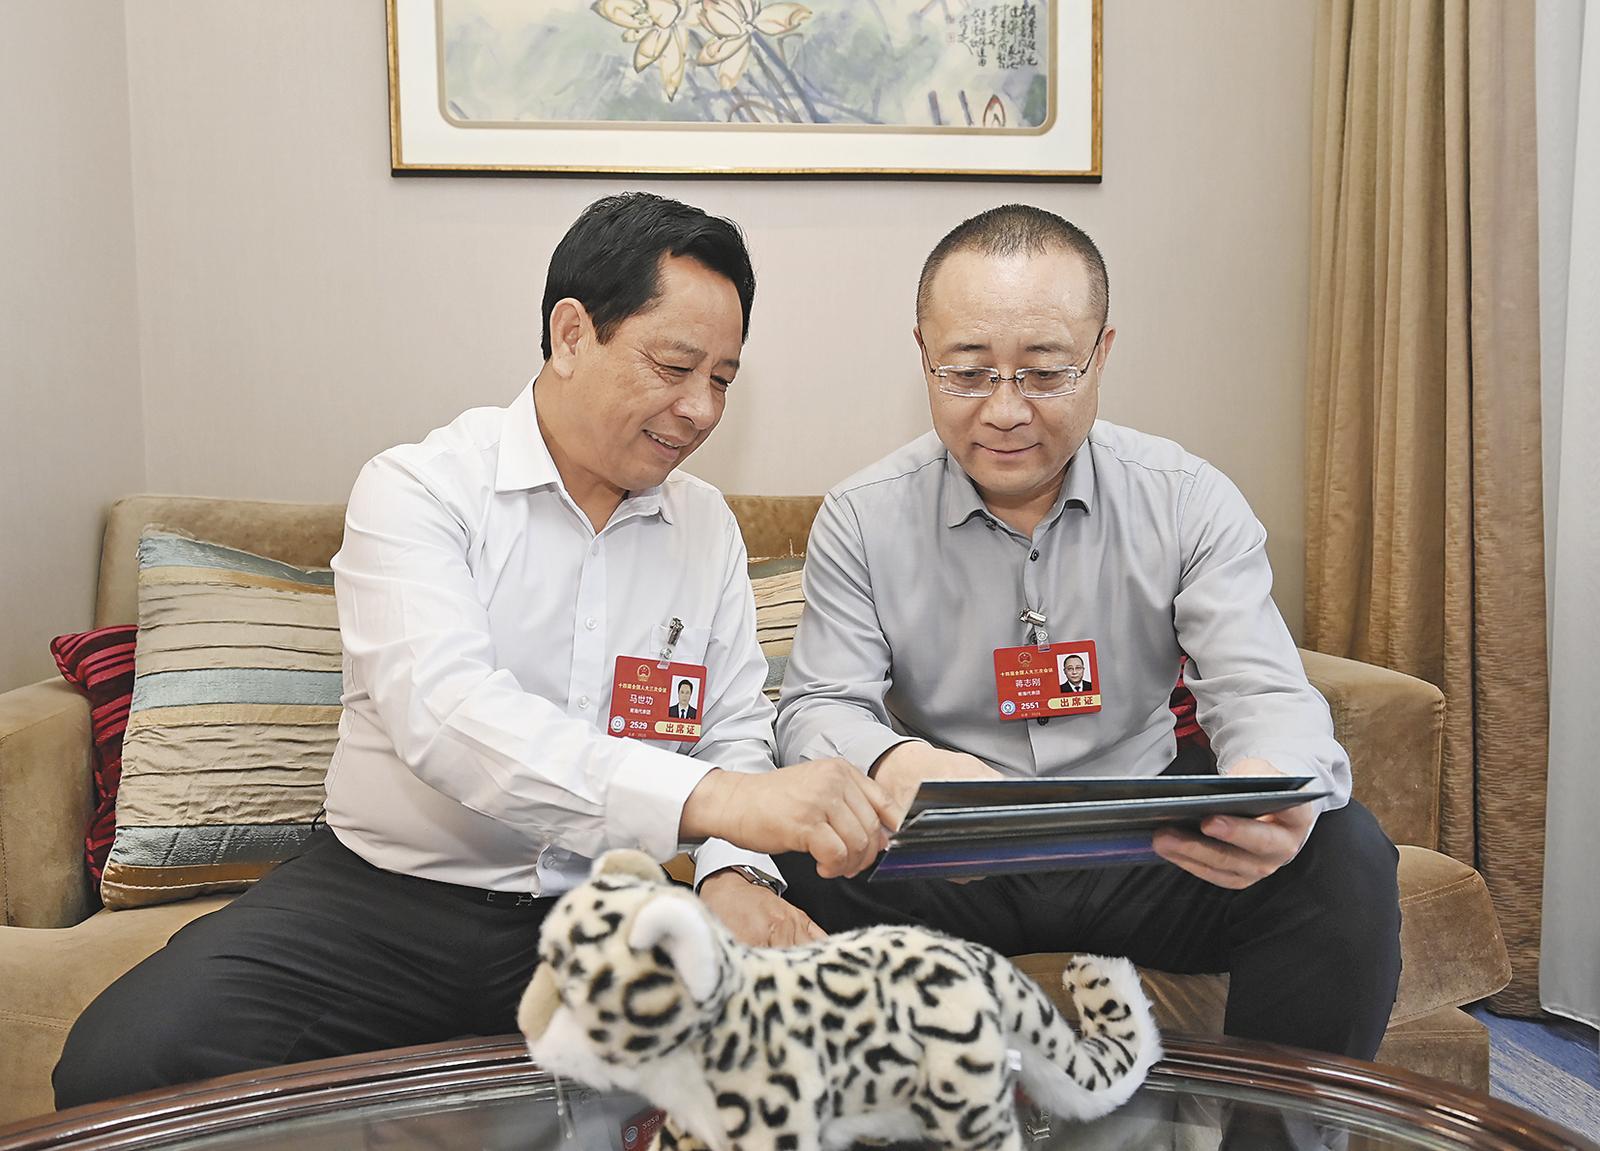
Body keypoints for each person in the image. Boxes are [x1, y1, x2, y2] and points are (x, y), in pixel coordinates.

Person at [54, 193, 895, 1107]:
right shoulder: (420, 490)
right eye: (674, 366)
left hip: (604, 905)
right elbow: (449, 718)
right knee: (122, 1063)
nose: (699, 409)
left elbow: (731, 725)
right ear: (571, 334)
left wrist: (733, 871)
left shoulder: (705, 529)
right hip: (387, 898)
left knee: (819, 1054)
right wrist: (723, 801)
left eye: (723, 380)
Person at [774, 205, 1401, 1060]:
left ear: (1102, 355)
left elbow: (1260, 688)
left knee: (1342, 853)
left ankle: (1275, 1125)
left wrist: (1270, 785)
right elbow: (817, 704)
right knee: (790, 854)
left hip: (1145, 845)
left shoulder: (1186, 498)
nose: (1004, 410)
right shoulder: (862, 516)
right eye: (967, 372)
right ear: (923, 356)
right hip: (949, 852)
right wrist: (897, 762)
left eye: (1044, 373)